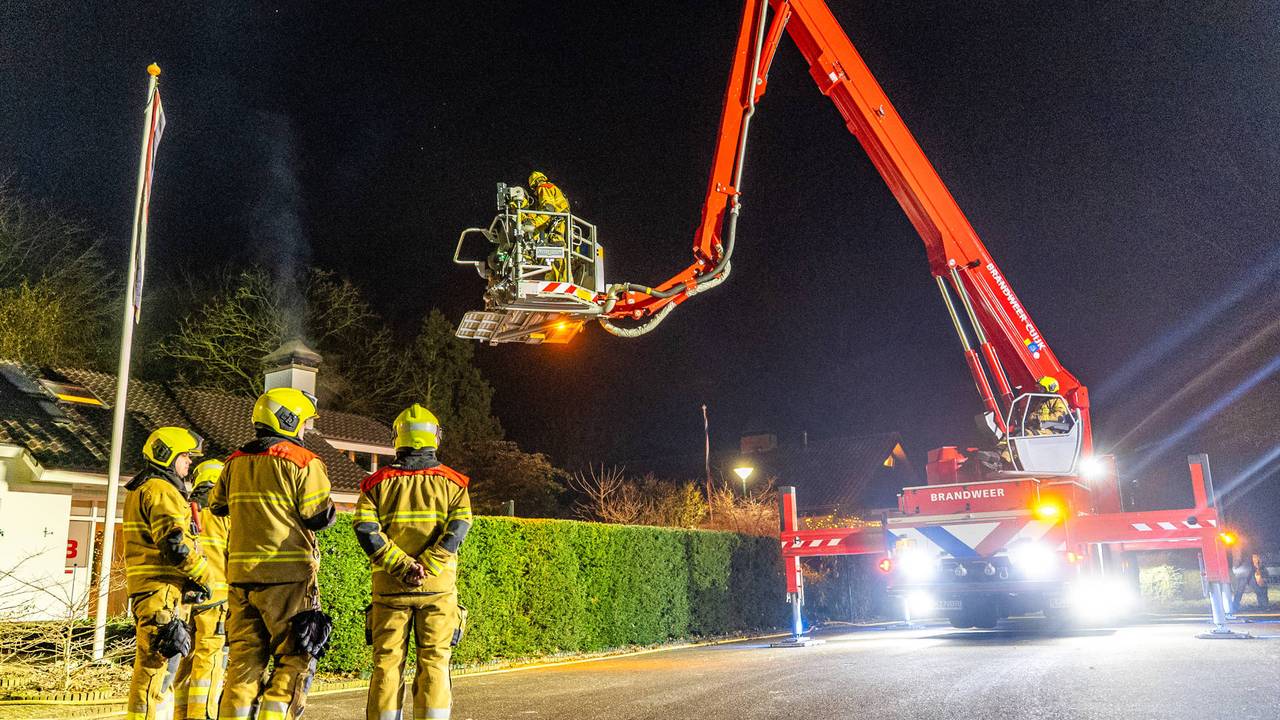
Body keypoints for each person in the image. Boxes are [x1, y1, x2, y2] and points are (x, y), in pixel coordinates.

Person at [211, 387, 336, 720]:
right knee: (294, 659)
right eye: (304, 423)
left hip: (240, 580)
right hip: (288, 580)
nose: (305, 430)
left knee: (243, 665)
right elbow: (319, 516)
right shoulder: (304, 461)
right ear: (289, 420)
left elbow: (217, 506)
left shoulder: (234, 461)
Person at [355, 404, 472, 720]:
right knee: (435, 660)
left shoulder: (376, 484)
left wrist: (402, 566)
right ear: (435, 438)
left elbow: (366, 530)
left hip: (391, 591)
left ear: (398, 438)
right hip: (438, 591)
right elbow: (458, 529)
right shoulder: (454, 484)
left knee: (387, 664)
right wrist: (428, 566)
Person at [123, 427, 211, 720]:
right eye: (185, 456)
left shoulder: (144, 489)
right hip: (160, 592)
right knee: (154, 673)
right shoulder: (161, 491)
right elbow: (174, 544)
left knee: (161, 670)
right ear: (167, 455)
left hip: (157, 591)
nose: (189, 462)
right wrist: (203, 574)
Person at [174, 459, 231, 720]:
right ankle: (202, 715)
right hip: (216, 600)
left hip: (186, 602)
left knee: (186, 661)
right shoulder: (225, 514)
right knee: (209, 660)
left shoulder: (184, 509)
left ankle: (182, 714)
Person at [526, 170, 571, 281]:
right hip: (560, 223)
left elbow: (548, 210)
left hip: (557, 224)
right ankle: (559, 279)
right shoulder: (552, 187)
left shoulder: (543, 187)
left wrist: (532, 224)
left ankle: (558, 280)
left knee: (557, 252)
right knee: (559, 253)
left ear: (533, 184)